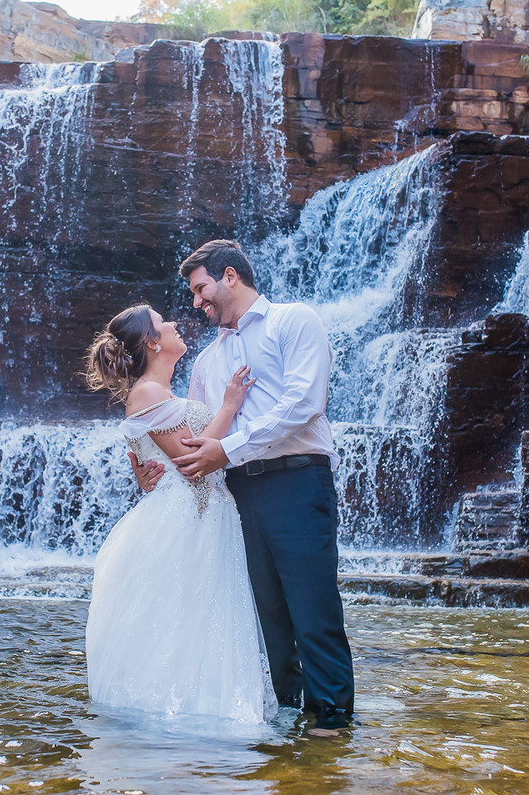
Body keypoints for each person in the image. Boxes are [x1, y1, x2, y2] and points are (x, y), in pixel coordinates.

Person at [131, 239, 355, 731]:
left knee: (313, 614)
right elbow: (193, 441)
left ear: (229, 275)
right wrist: (149, 467)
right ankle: (289, 720)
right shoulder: (209, 363)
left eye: (200, 288)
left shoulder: (293, 321)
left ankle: (332, 729)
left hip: (297, 482)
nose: (196, 302)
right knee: (269, 621)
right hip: (237, 498)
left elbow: (304, 405)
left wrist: (227, 451)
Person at [83, 304, 276, 723]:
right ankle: (188, 720)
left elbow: (156, 453)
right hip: (188, 515)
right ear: (153, 342)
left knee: (203, 616)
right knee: (186, 614)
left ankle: (202, 718)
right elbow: (192, 463)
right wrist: (229, 405)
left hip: (207, 513)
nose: (173, 323)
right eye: (162, 322)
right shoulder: (148, 392)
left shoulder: (164, 394)